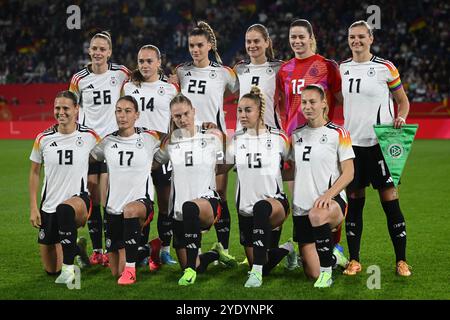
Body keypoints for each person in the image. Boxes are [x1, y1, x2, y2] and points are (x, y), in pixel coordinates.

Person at [340, 21, 411, 277]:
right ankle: (354, 260)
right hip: (352, 147)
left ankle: (401, 261)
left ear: (371, 39)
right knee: (355, 204)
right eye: (352, 37)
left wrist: (400, 117)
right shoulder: (343, 69)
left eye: (361, 36)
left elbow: (402, 101)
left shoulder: (385, 68)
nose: (356, 41)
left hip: (381, 144)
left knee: (390, 202)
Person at [276, 18, 345, 249]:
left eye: (301, 36)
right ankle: (303, 249)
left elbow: (339, 99)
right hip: (294, 143)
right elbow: (282, 105)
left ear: (311, 38)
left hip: (322, 141)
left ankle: (334, 247)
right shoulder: (284, 70)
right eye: (293, 37)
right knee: (300, 202)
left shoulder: (327, 66)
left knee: (326, 199)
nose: (297, 41)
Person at [154, 94, 237, 286]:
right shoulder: (170, 142)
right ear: (172, 117)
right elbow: (155, 163)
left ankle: (190, 271)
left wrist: (215, 171)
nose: (182, 119)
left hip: (206, 202)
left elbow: (226, 162)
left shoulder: (211, 136)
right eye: (177, 116)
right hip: (179, 211)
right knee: (194, 263)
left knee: (191, 207)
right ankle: (213, 254)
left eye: (185, 114)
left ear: (194, 112)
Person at [175, 21, 239, 257]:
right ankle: (194, 249)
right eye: (191, 45)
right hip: (188, 142)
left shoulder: (224, 73)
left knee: (219, 195)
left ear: (210, 45)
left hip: (216, 142)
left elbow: (240, 93)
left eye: (200, 45)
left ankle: (223, 249)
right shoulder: (182, 71)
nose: (195, 49)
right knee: (190, 194)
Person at [221, 87, 297, 288]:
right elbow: (220, 168)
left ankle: (256, 274)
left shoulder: (279, 138)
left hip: (274, 205)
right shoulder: (235, 140)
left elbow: (294, 165)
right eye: (239, 110)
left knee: (261, 208)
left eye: (248, 110)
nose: (242, 115)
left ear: (260, 111)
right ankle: (287, 248)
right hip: (245, 209)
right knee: (261, 261)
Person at [69, 31, 131, 266]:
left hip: (112, 145)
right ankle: (97, 250)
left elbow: (134, 95)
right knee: (93, 199)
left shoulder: (121, 73)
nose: (97, 52)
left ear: (109, 52)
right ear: (89, 50)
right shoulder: (79, 78)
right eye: (94, 48)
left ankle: (112, 246)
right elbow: (71, 107)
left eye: (102, 49)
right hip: (87, 146)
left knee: (109, 199)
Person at [29, 90, 100, 284]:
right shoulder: (43, 138)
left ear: (77, 109)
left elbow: (107, 156)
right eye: (57, 108)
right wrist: (34, 207)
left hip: (78, 201)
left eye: (66, 108)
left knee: (65, 209)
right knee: (51, 269)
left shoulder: (90, 136)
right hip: (49, 205)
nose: (61, 112)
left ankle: (70, 270)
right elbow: (35, 172)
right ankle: (77, 248)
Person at [286, 84, 354, 288]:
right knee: (310, 272)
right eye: (304, 102)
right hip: (302, 208)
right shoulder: (296, 135)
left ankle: (327, 274)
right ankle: (334, 259)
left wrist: (329, 195)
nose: (307, 106)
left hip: (331, 204)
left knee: (317, 214)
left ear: (324, 103)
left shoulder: (338, 133)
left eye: (312, 102)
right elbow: (289, 170)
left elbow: (349, 172)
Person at [90, 96, 160, 285]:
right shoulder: (107, 142)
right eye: (119, 111)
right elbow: (89, 157)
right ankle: (148, 250)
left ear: (137, 115)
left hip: (140, 204)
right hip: (113, 209)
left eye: (128, 111)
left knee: (130, 210)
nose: (122, 115)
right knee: (115, 271)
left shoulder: (150, 137)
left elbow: (169, 145)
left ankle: (131, 271)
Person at [124, 44, 179, 270]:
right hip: (139, 156)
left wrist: (165, 150)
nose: (145, 65)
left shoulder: (170, 89)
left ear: (159, 63)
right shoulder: (129, 87)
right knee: (142, 205)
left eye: (149, 61)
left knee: (166, 204)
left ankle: (165, 250)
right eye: (141, 61)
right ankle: (144, 250)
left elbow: (175, 122)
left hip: (162, 154)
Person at [233, 24, 285, 251]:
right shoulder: (240, 70)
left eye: (256, 41)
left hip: (271, 138)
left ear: (267, 42)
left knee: (270, 190)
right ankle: (256, 248)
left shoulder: (279, 69)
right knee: (247, 190)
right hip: (243, 140)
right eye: (248, 41)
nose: (252, 45)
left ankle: (272, 246)